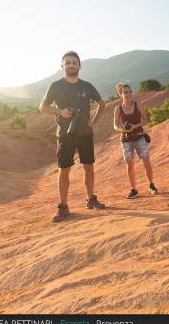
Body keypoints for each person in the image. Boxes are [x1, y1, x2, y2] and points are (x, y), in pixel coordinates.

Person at [39, 51, 107, 222]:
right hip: (64, 134)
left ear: (79, 65)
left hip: (85, 133)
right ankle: (63, 206)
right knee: (64, 170)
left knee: (89, 167)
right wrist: (60, 111)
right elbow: (42, 107)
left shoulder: (87, 85)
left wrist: (93, 121)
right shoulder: (55, 86)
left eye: (74, 62)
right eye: (67, 62)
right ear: (62, 66)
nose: (71, 65)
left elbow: (101, 103)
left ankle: (91, 199)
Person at [113, 83, 159, 199]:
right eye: (125, 92)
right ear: (120, 95)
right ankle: (134, 189)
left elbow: (146, 120)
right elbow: (115, 125)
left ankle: (151, 185)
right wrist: (121, 129)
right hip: (126, 139)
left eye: (129, 91)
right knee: (130, 165)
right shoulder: (118, 108)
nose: (128, 94)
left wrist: (135, 126)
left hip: (139, 137)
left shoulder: (137, 104)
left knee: (146, 161)